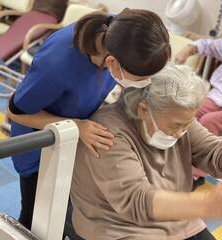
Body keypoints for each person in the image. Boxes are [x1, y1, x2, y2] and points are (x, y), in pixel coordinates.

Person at [7, 7, 171, 235]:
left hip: (73, 137)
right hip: (37, 146)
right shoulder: (58, 64)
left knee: (67, 211)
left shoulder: (121, 36)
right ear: (112, 62)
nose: (143, 82)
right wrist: (76, 126)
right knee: (36, 217)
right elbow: (14, 110)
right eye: (141, 79)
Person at [70, 64, 222, 240]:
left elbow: (212, 151)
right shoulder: (106, 133)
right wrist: (205, 205)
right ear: (143, 109)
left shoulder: (180, 118)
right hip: (120, 228)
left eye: (188, 123)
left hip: (177, 221)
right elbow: (136, 201)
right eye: (176, 125)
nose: (182, 132)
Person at [175, 38, 222, 136]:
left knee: (209, 122)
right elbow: (208, 45)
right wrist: (188, 49)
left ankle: (196, 150)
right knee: (187, 111)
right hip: (218, 96)